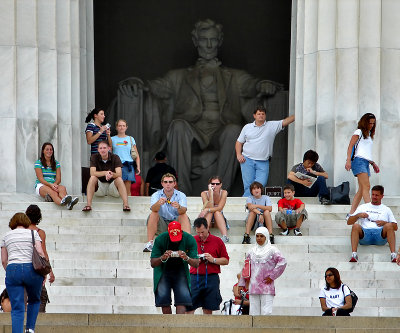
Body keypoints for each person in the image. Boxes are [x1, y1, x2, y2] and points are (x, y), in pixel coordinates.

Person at [112, 19, 284, 195]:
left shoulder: (234, 76)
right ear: (196, 41)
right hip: (191, 129)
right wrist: (139, 84)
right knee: (178, 126)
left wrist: (263, 85)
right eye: (203, 39)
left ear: (220, 40)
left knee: (234, 131)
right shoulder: (178, 76)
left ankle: (219, 190)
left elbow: (251, 85)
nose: (209, 45)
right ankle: (182, 191)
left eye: (213, 40)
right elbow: (158, 86)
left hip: (220, 129)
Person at [236, 105, 295, 197]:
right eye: (259, 114)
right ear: (254, 115)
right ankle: (249, 205)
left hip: (263, 161)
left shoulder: (271, 125)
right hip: (247, 160)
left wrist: (300, 112)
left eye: (263, 114)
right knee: (248, 186)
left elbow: (286, 121)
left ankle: (247, 204)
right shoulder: (247, 127)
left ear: (265, 116)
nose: (261, 116)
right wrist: (238, 154)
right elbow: (239, 142)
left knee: (260, 185)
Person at [1, 213, 45, 333]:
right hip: (31, 270)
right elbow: (40, 253)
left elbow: (4, 260)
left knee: (17, 307)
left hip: (12, 269)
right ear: (26, 222)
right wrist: (44, 273)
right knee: (34, 300)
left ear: (13, 222)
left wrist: (10, 271)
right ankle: (30, 329)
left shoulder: (6, 236)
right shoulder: (33, 233)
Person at [150, 221, 199, 314]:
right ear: (168, 233)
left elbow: (196, 263)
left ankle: (178, 326)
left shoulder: (189, 239)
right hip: (163, 271)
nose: (175, 240)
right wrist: (162, 257)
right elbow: (153, 263)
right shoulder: (160, 239)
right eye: (173, 238)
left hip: (181, 270)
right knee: (164, 301)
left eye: (177, 238)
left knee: (182, 300)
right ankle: (168, 325)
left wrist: (186, 257)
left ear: (181, 232)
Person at [238, 227, 286, 315]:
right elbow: (246, 268)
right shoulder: (251, 252)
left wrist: (272, 276)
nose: (259, 238)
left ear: (266, 237)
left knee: (266, 313)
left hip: (267, 286)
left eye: (261, 236)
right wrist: (241, 283)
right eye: (257, 236)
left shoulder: (272, 250)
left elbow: (282, 262)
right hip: (254, 286)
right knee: (253, 313)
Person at [186, 218, 229, 314]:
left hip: (211, 277)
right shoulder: (192, 240)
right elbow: (185, 258)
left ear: (207, 227)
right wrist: (195, 259)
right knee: (189, 307)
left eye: (202, 232)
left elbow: (226, 260)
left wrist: (213, 259)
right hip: (194, 276)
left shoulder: (217, 241)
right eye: (198, 232)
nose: (200, 235)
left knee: (208, 307)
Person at [347, 185, 397, 263]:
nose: (374, 197)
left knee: (389, 225)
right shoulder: (363, 207)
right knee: (355, 226)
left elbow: (395, 227)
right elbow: (349, 222)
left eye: (377, 195)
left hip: (380, 235)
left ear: (382, 196)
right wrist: (358, 215)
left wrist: (385, 223)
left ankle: (393, 255)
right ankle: (354, 254)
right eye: (373, 194)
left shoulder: (386, 209)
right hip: (365, 235)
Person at [144, 173, 190, 252]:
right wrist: (158, 203)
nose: (168, 184)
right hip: (162, 224)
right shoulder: (156, 195)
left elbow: (183, 211)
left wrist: (179, 207)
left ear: (174, 183)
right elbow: (153, 209)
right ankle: (150, 243)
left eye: (170, 182)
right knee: (153, 214)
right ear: (162, 183)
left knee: (183, 215)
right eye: (165, 182)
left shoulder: (181, 195)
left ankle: (187, 243)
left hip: (176, 224)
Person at [345, 113, 379, 214]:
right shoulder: (359, 132)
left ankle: (351, 213)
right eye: (369, 123)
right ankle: (370, 211)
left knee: (361, 189)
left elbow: (365, 152)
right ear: (365, 122)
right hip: (358, 161)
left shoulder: (368, 135)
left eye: (373, 123)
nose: (371, 125)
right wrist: (348, 160)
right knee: (367, 186)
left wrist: (373, 163)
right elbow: (350, 145)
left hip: (366, 162)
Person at [82, 140, 130, 212]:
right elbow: (92, 173)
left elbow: (119, 174)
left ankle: (126, 204)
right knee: (92, 178)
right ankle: (88, 205)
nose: (102, 150)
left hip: (112, 187)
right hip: (99, 187)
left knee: (119, 179)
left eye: (104, 148)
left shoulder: (115, 157)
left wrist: (111, 174)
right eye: (100, 148)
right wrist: (105, 173)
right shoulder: (94, 157)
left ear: (109, 148)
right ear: (98, 150)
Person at [25, 205, 53, 313]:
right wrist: (50, 272)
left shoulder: (22, 231)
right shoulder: (40, 232)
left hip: (24, 267)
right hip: (37, 269)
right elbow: (44, 253)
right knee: (41, 296)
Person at [34, 142, 79, 209]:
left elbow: (58, 179)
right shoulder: (38, 163)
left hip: (53, 184)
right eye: (47, 149)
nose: (49, 151)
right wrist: (51, 185)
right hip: (41, 185)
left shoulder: (56, 163)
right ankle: (61, 202)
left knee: (62, 188)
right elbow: (40, 179)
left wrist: (54, 184)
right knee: (53, 192)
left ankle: (69, 203)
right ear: (43, 151)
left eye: (51, 149)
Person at [111, 119, 141, 196]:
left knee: (127, 190)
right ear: (116, 127)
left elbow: (136, 155)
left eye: (123, 126)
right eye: (120, 126)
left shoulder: (130, 139)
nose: (121, 127)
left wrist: (138, 166)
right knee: (117, 190)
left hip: (128, 165)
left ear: (126, 127)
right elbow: (109, 153)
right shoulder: (112, 139)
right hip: (117, 165)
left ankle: (127, 206)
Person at [198, 176, 229, 243]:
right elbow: (210, 206)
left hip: (218, 218)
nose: (215, 186)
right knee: (210, 212)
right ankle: (203, 236)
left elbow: (220, 208)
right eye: (213, 184)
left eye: (217, 184)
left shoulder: (224, 192)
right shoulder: (204, 193)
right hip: (207, 218)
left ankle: (225, 236)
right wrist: (211, 193)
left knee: (216, 212)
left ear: (220, 185)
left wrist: (207, 210)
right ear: (209, 185)